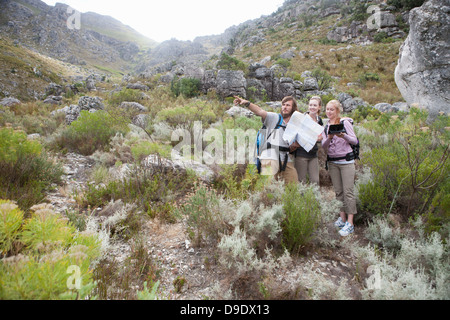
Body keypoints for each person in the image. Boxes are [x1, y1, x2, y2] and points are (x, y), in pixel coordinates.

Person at [233, 95, 298, 184]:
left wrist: (295, 146)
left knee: (292, 185)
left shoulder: (294, 125)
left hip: (286, 158)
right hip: (269, 157)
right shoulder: (275, 117)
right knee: (268, 186)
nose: (285, 107)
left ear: (293, 108)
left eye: (288, 105)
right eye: (283, 105)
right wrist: (247, 103)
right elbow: (260, 111)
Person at [321, 100, 358, 236]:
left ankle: (350, 223)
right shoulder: (326, 126)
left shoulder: (345, 122)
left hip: (346, 162)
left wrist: (343, 135)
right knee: (338, 192)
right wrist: (330, 137)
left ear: (337, 111)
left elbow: (355, 140)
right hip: (333, 162)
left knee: (348, 191)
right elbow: (324, 146)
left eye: (332, 109)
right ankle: (342, 219)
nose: (329, 112)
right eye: (327, 109)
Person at [292, 96, 324, 185]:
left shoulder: (319, 120)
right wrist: (314, 137)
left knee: (315, 181)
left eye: (315, 105)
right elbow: (297, 135)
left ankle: (314, 198)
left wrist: (321, 138)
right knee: (301, 181)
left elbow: (320, 135)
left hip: (313, 154)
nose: (312, 107)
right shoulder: (303, 118)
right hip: (301, 153)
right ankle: (302, 199)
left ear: (319, 107)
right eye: (310, 105)